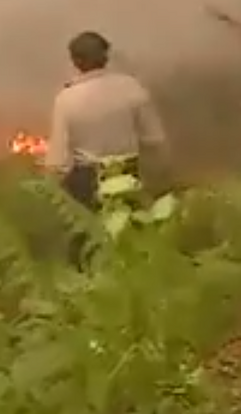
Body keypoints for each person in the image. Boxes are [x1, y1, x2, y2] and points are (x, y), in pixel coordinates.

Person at [44, 31, 168, 265]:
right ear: (106, 57)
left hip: (87, 182)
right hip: (129, 176)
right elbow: (154, 139)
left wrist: (50, 190)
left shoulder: (66, 99)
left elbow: (58, 161)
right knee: (135, 244)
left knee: (87, 248)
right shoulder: (131, 87)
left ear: (76, 61)